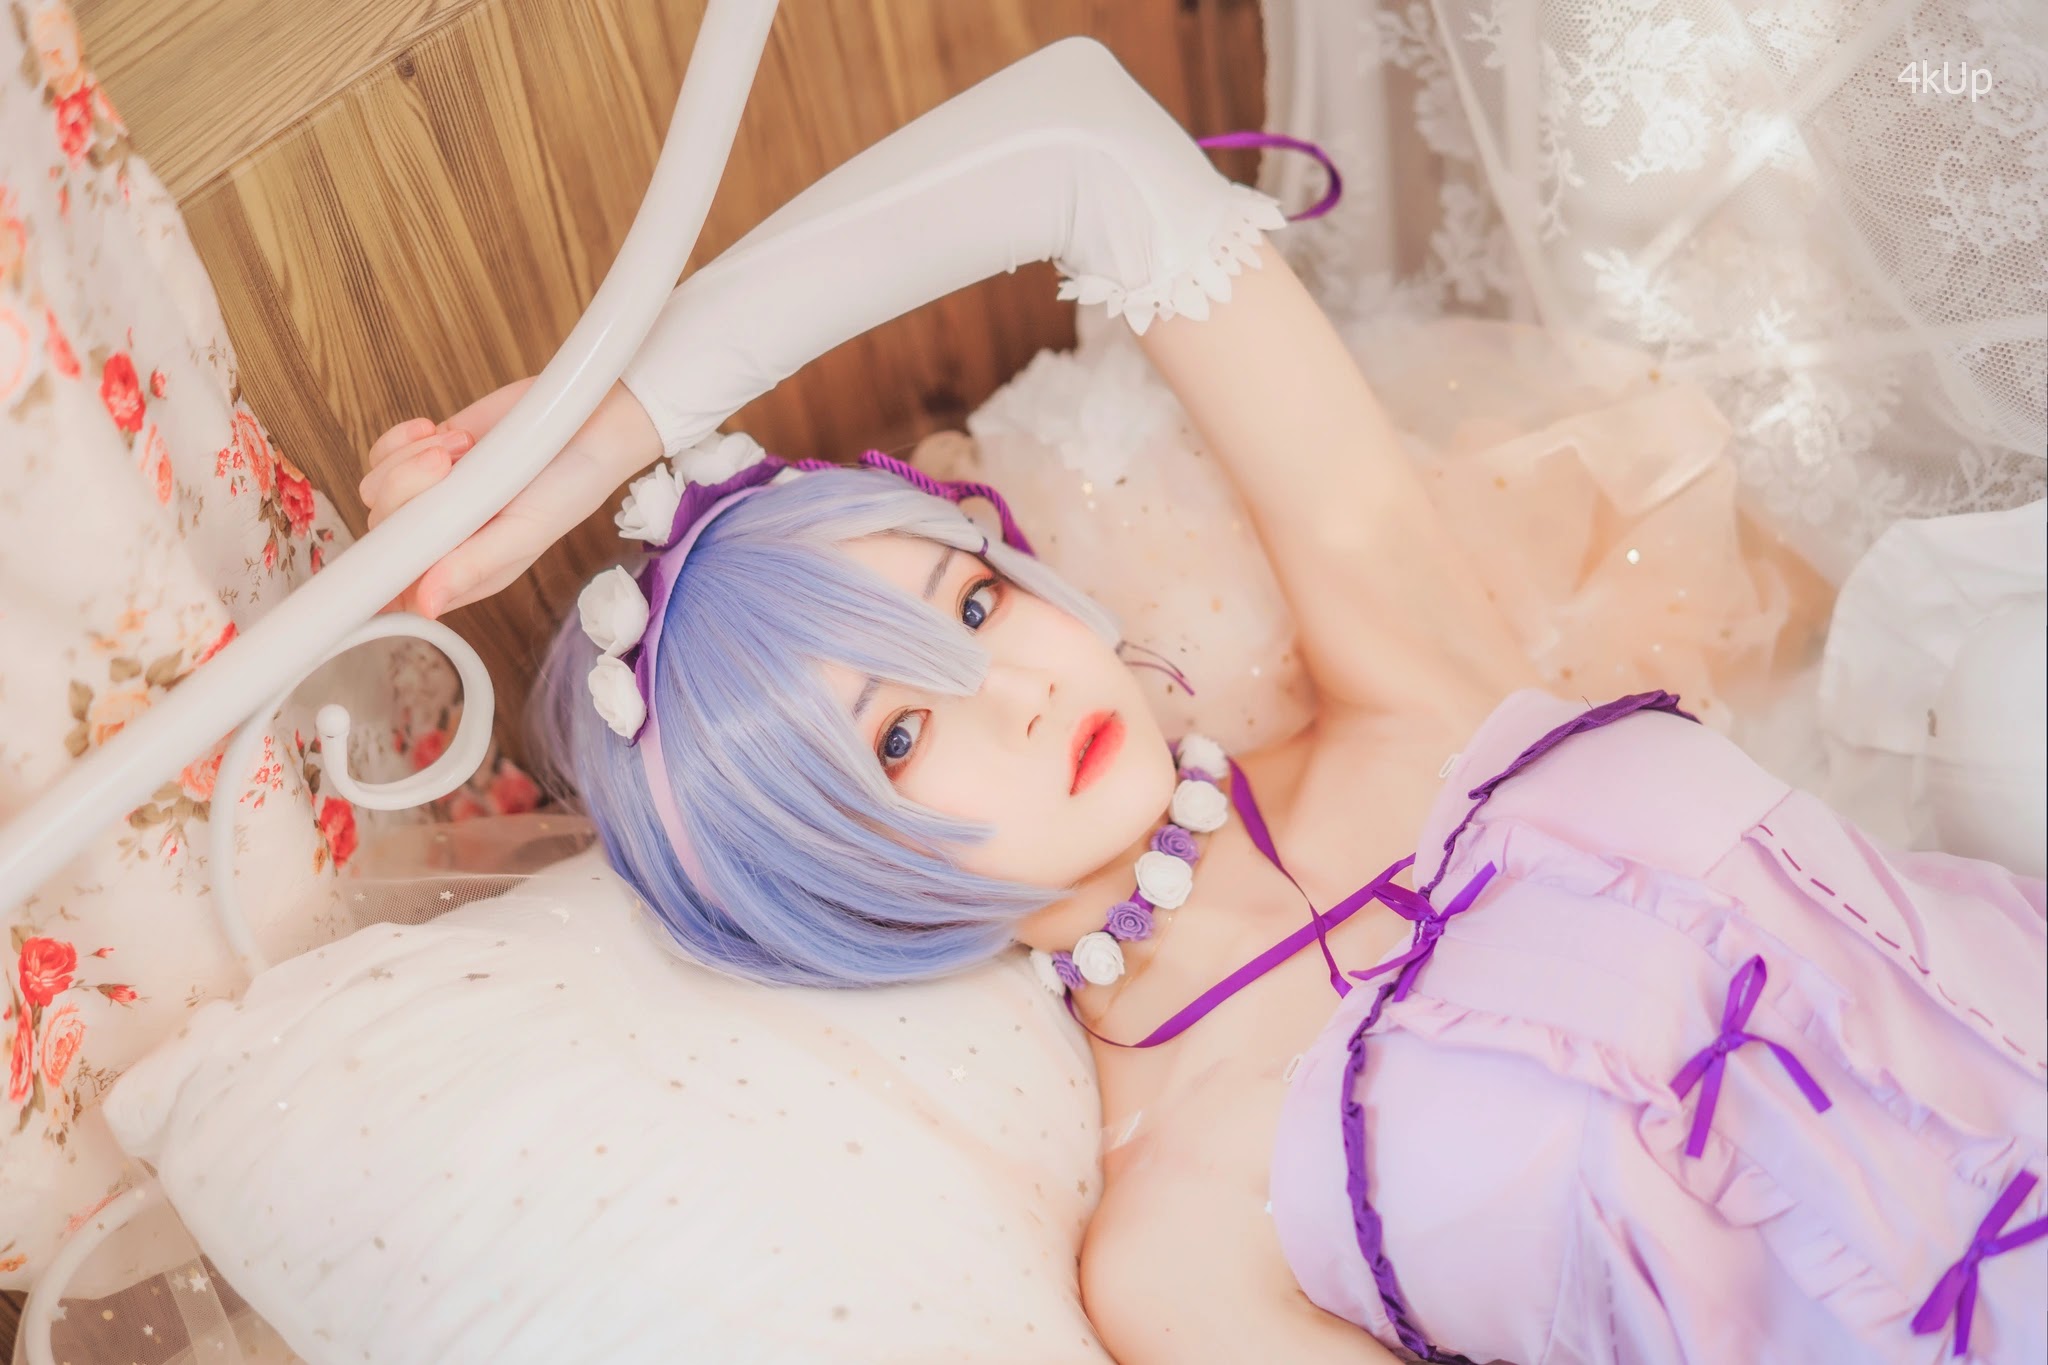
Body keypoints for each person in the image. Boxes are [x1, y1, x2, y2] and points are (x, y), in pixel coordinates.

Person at [362, 38, 2047, 1365]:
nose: (1016, 689)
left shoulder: (1408, 689)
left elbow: (1083, 138)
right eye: (899, 733)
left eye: (973, 598)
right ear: (825, 885)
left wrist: (609, 418)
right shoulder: (1172, 1239)